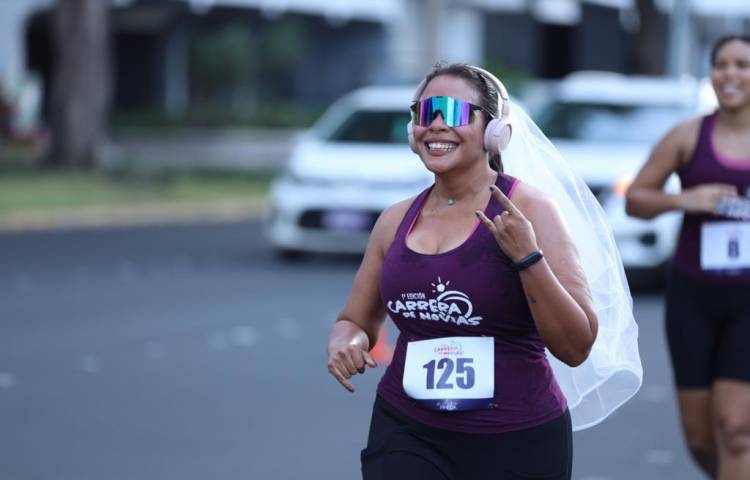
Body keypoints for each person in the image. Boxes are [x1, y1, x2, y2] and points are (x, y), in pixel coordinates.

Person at [327, 63, 641, 480]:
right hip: (407, 429)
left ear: (494, 130)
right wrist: (344, 343)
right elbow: (355, 319)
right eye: (425, 112)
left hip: (515, 437)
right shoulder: (394, 220)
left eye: (454, 113)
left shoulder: (531, 211)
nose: (436, 125)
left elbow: (576, 345)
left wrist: (528, 257)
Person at [626, 35, 750, 479]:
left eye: (742, 64)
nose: (730, 74)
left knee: (736, 428)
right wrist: (686, 200)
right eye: (721, 65)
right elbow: (635, 200)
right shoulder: (687, 136)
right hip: (693, 297)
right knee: (700, 435)